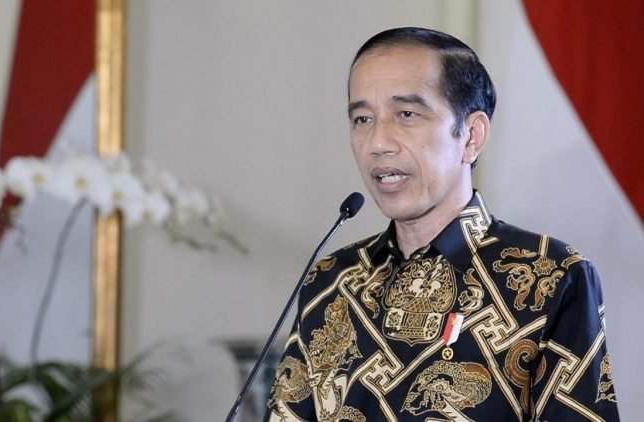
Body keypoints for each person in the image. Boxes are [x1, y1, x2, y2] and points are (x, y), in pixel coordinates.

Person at [264, 27, 619, 421]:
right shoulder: (331, 280)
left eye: (407, 114)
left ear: (471, 136)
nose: (377, 142)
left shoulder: (551, 277)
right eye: (362, 118)